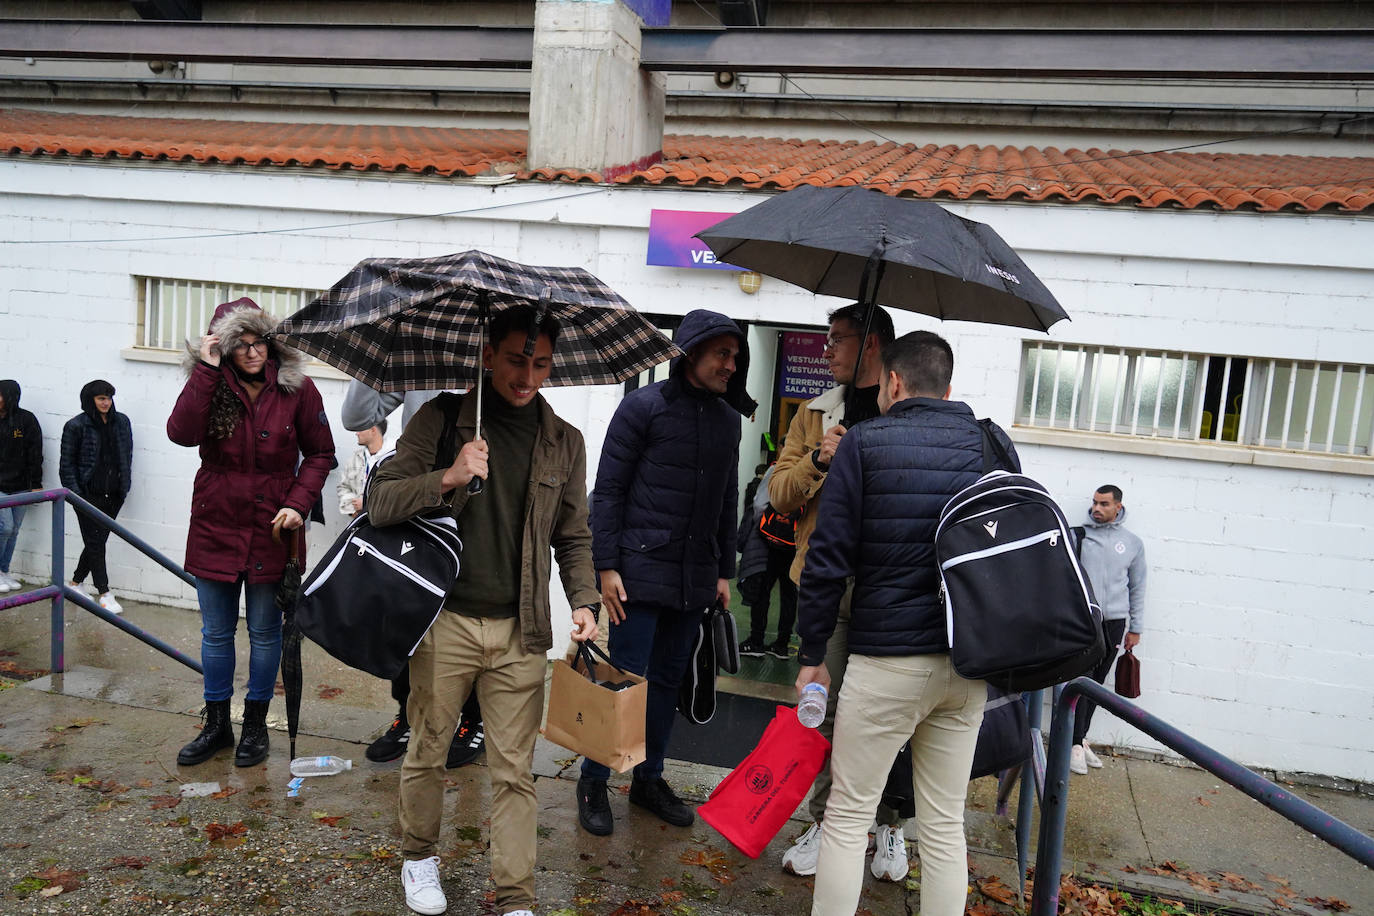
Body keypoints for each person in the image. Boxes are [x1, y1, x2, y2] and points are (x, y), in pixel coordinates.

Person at [368, 305, 600, 916]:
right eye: (518, 360)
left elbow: (574, 535)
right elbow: (380, 500)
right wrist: (447, 475)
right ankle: (419, 857)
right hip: (445, 621)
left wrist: (584, 600)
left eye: (541, 363)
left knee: (514, 770)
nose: (528, 376)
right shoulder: (442, 418)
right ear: (488, 355)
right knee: (429, 746)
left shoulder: (564, 442)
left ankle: (516, 896)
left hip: (521, 629)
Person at [796, 330, 1019, 916]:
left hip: (885, 660)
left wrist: (811, 655)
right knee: (944, 824)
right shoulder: (988, 444)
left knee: (847, 816)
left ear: (892, 382)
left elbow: (827, 560)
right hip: (967, 663)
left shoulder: (865, 444)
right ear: (948, 387)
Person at [575, 309, 753, 838]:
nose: (731, 364)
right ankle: (594, 780)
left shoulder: (726, 420)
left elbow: (727, 499)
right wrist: (605, 565)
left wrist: (724, 571)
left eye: (736, 356)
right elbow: (607, 492)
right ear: (691, 351)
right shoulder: (642, 408)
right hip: (636, 573)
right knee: (622, 684)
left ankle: (649, 780)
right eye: (722, 353)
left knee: (668, 684)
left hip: (694, 579)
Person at [768, 303, 915, 881]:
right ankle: (828, 822)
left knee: (892, 717)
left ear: (872, 345)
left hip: (891, 591)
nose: (826, 350)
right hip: (825, 584)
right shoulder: (815, 414)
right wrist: (818, 458)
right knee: (823, 712)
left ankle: (889, 827)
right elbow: (777, 494)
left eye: (838, 340)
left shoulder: (910, 411)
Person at [167, 298, 334, 769]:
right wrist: (205, 367)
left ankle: (255, 727)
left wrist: (298, 504)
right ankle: (217, 724)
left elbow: (321, 454)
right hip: (215, 524)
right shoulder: (209, 384)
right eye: (240, 344)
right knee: (216, 633)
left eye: (258, 340)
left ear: (271, 341)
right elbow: (180, 433)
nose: (252, 351)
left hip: (273, 531)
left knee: (264, 633)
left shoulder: (298, 389)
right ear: (224, 347)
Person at [340, 379, 486, 769]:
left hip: (477, 511)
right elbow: (356, 417)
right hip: (420, 502)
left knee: (470, 621)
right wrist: (371, 362)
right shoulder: (425, 362)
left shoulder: (497, 365)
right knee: (406, 614)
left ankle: (472, 721)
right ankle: (406, 715)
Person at [1070, 484, 1146, 775]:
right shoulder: (1079, 536)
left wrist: (1135, 628)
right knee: (1082, 680)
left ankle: (1079, 740)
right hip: (1084, 619)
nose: (1096, 509)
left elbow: (1138, 587)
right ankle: (1075, 743)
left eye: (1103, 504)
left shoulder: (1132, 543)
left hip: (1114, 623)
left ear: (1118, 507)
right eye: (1094, 503)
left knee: (1097, 683)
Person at [59, 380, 134, 613]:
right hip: (86, 495)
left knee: (96, 542)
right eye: (101, 398)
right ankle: (104, 593)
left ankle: (75, 584)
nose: (106, 402)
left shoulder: (121, 422)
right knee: (95, 543)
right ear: (90, 399)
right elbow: (67, 465)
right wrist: (76, 495)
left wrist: (124, 487)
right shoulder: (76, 426)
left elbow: (127, 454)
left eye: (109, 398)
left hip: (114, 494)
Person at [736, 463, 797, 658]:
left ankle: (756, 641)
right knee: (789, 595)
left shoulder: (777, 469)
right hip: (794, 543)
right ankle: (781, 644)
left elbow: (760, 504)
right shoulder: (812, 469)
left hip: (769, 543)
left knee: (762, 591)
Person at [0, 380, 43, 593]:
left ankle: (4, 571)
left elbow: (35, 452)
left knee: (14, 530)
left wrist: (36, 484)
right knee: (4, 527)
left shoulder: (26, 420)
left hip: (20, 485)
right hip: (0, 486)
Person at [338, 418, 387, 518]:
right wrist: (353, 510)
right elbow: (343, 487)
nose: (357, 433)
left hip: (385, 524)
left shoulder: (394, 458)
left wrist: (366, 503)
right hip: (360, 523)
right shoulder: (354, 458)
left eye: (360, 429)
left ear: (373, 430)